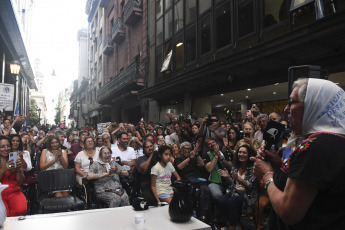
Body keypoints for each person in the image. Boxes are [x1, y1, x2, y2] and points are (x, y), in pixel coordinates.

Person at [252, 78, 345, 229]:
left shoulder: (315, 145)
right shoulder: (334, 140)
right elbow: (309, 181)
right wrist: (279, 166)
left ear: (313, 105)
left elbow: (288, 212)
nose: (286, 109)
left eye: (292, 102)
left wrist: (267, 176)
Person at [217, 145, 258, 230]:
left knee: (232, 201)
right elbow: (231, 184)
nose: (241, 154)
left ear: (249, 154)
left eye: (244, 152)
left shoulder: (253, 168)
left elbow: (251, 185)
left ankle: (232, 226)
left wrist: (238, 178)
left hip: (247, 195)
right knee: (221, 200)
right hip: (234, 192)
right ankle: (228, 222)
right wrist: (227, 177)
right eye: (239, 152)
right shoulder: (236, 166)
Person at [0, 135, 27, 216]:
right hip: (0, 194)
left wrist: (19, 170)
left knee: (21, 210)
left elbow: (20, 181)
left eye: (8, 146)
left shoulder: (14, 159)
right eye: (2, 146)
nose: (6, 149)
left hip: (14, 192)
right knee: (3, 215)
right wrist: (4, 169)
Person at [136, 140, 157, 205]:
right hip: (147, 183)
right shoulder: (141, 158)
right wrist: (152, 154)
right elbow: (144, 170)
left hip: (159, 182)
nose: (150, 148)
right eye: (147, 147)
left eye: (151, 146)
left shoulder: (159, 156)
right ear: (144, 150)